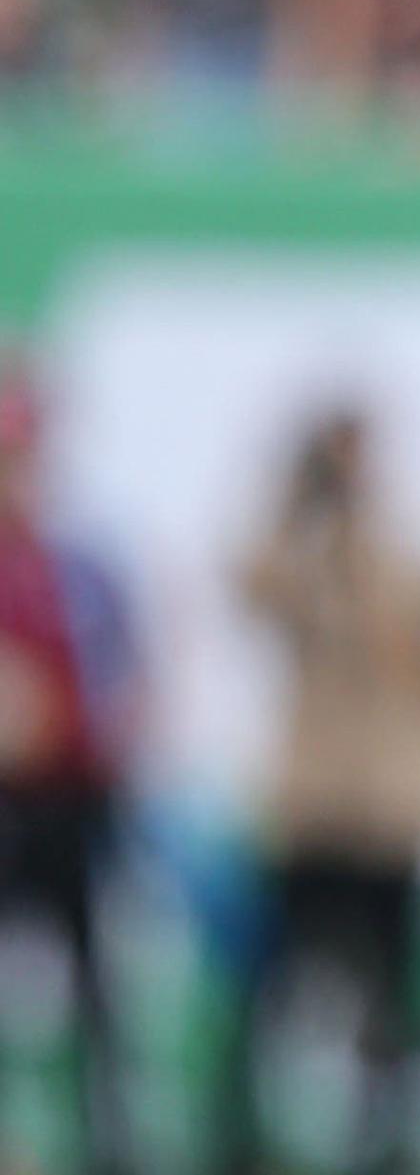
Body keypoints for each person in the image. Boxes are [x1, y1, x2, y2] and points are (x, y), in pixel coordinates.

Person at [238, 407, 420, 1175]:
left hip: (386, 806)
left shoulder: (399, 554)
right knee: (277, 991)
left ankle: (390, 1144)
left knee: (394, 1000)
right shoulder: (299, 547)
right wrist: (303, 503)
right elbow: (250, 586)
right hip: (312, 806)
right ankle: (253, 1138)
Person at [0, 376, 133, 1175]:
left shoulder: (74, 564)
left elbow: (120, 669)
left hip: (73, 799)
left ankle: (111, 1143)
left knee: (94, 989)